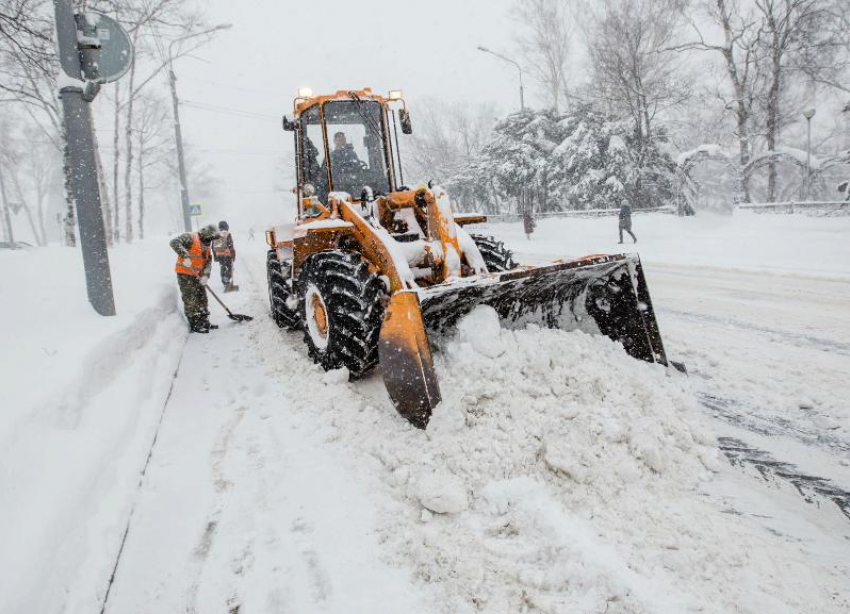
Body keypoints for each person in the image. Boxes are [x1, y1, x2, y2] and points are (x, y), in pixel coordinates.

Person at [171, 224, 220, 333]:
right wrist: (185, 256)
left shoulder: (207, 244)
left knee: (202, 297)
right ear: (206, 233)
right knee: (191, 299)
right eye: (211, 237)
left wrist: (206, 276)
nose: (211, 240)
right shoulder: (190, 237)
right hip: (185, 274)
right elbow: (174, 242)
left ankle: (204, 321)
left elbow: (208, 262)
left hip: (197, 275)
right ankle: (194, 324)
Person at [213, 220, 237, 292]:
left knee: (222, 267)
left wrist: (215, 255)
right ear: (226, 227)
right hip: (227, 255)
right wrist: (233, 254)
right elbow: (230, 245)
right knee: (228, 267)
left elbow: (213, 246)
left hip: (219, 255)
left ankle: (224, 280)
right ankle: (227, 281)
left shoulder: (216, 235)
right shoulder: (227, 234)